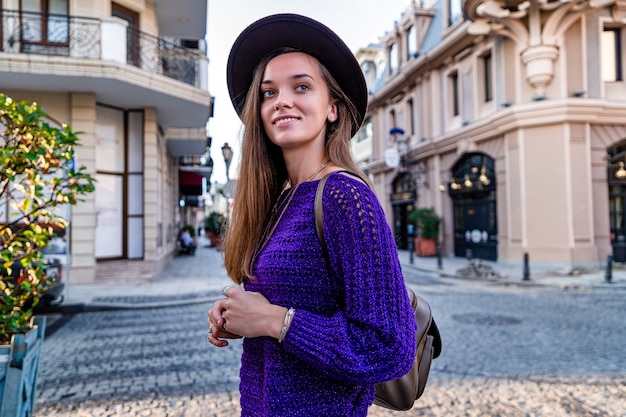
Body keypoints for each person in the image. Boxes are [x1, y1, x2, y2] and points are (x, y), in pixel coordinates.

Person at [207, 14, 417, 416]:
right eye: (268, 93)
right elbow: (293, 306)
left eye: (301, 87)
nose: (281, 100)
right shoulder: (283, 202)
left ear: (332, 108)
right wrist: (244, 315)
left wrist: (274, 321)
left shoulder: (345, 197)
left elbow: (389, 348)